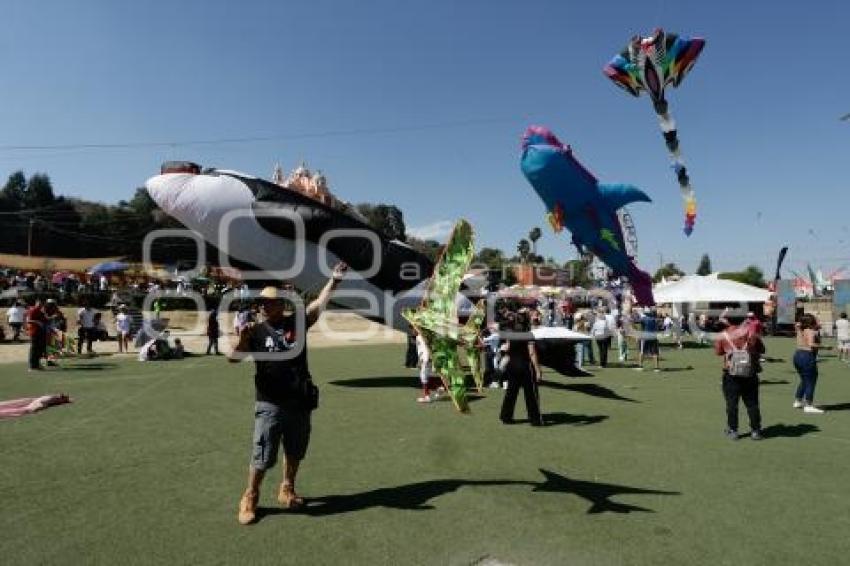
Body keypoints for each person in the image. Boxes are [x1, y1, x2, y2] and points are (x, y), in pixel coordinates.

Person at [230, 262, 347, 526]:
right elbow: (233, 359)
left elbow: (319, 303)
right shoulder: (255, 331)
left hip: (299, 402)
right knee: (263, 454)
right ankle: (250, 496)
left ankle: (287, 488)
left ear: (282, 304)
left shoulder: (298, 323)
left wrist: (335, 281)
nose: (263, 306)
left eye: (269, 303)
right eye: (261, 303)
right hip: (269, 403)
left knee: (295, 450)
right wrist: (243, 340)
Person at [714, 321, 766, 440]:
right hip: (750, 373)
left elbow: (718, 352)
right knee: (752, 404)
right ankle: (755, 430)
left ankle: (733, 430)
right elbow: (762, 349)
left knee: (732, 404)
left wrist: (731, 349)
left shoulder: (723, 335)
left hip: (731, 374)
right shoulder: (751, 334)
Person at [499, 311, 543, 426]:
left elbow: (507, 347)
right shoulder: (528, 334)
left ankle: (506, 417)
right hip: (525, 366)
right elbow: (532, 353)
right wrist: (538, 370)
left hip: (512, 365)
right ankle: (534, 419)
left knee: (511, 392)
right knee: (530, 394)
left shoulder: (510, 333)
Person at [793, 314, 825, 413]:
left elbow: (798, 325)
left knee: (804, 379)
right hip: (807, 356)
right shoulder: (810, 331)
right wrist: (825, 347)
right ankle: (809, 405)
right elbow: (811, 344)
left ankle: (798, 401)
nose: (818, 321)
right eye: (816, 319)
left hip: (797, 355)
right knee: (811, 380)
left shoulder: (800, 329)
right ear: (811, 322)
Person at [26, 300, 47, 371]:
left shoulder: (40, 311)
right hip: (34, 332)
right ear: (36, 303)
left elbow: (45, 319)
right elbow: (28, 320)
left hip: (40, 332)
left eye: (42, 304)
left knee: (39, 349)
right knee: (34, 348)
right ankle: (31, 366)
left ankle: (37, 364)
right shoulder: (33, 310)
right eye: (39, 304)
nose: (40, 305)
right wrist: (37, 322)